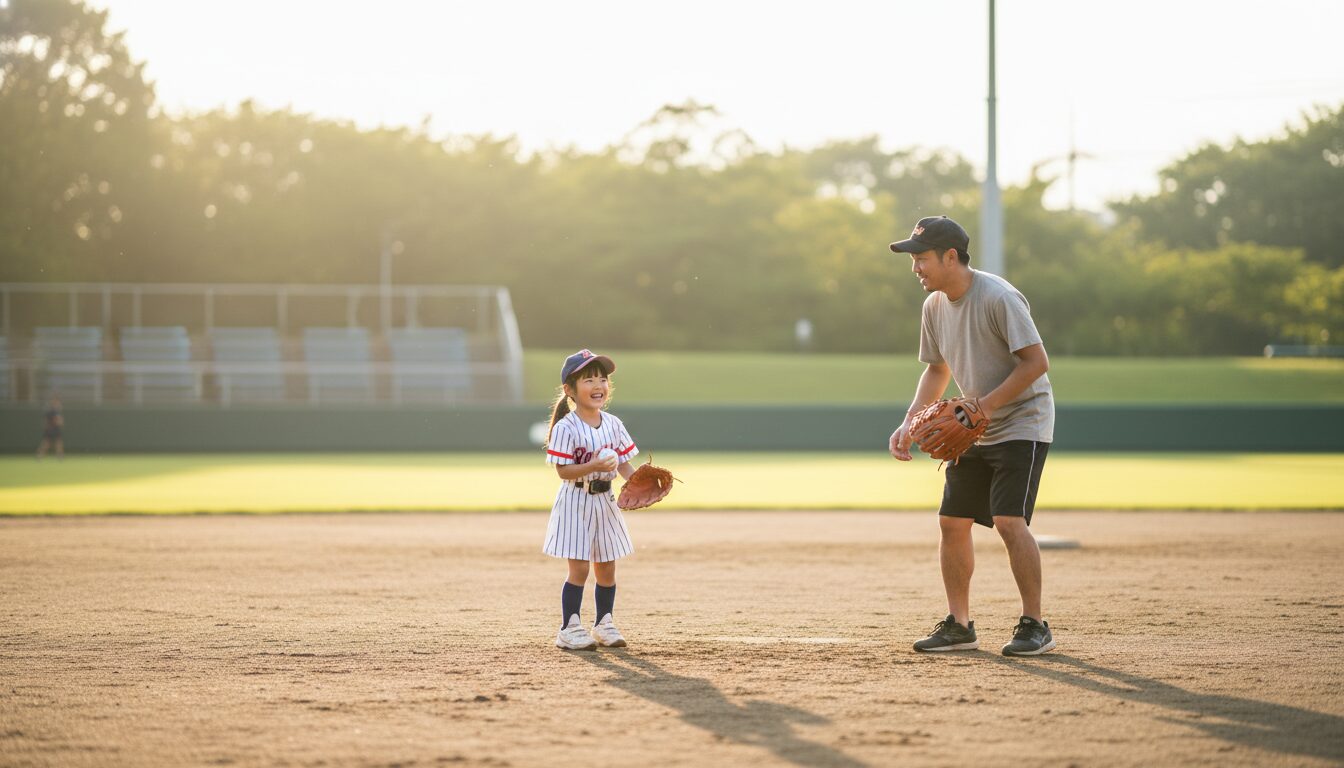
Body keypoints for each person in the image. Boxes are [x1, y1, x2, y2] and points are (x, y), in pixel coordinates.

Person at [887, 216, 1057, 656]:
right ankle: (959, 625)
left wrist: (986, 407)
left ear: (950, 257)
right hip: (971, 426)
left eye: (921, 258)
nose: (915, 268)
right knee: (952, 521)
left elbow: (1036, 363)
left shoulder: (998, 297)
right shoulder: (934, 307)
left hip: (1023, 420)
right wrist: (909, 421)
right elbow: (937, 369)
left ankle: (1035, 624)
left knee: (1008, 520)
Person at [542, 349, 642, 651]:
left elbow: (624, 463)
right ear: (570, 390)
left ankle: (604, 623)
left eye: (602, 379)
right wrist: (593, 466)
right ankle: (569, 628)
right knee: (580, 568)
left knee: (607, 566)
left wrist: (638, 483)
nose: (598, 385)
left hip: (605, 501)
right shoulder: (566, 427)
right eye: (588, 380)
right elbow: (563, 471)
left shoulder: (613, 423)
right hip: (576, 500)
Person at [36, 394, 65, 460]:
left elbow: (59, 421)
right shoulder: (51, 411)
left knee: (58, 442)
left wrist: (60, 422)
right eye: (56, 401)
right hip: (51, 429)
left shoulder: (57, 411)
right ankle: (40, 455)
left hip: (56, 429)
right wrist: (58, 422)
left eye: (58, 401)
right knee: (47, 443)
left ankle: (60, 456)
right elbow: (50, 420)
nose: (57, 403)